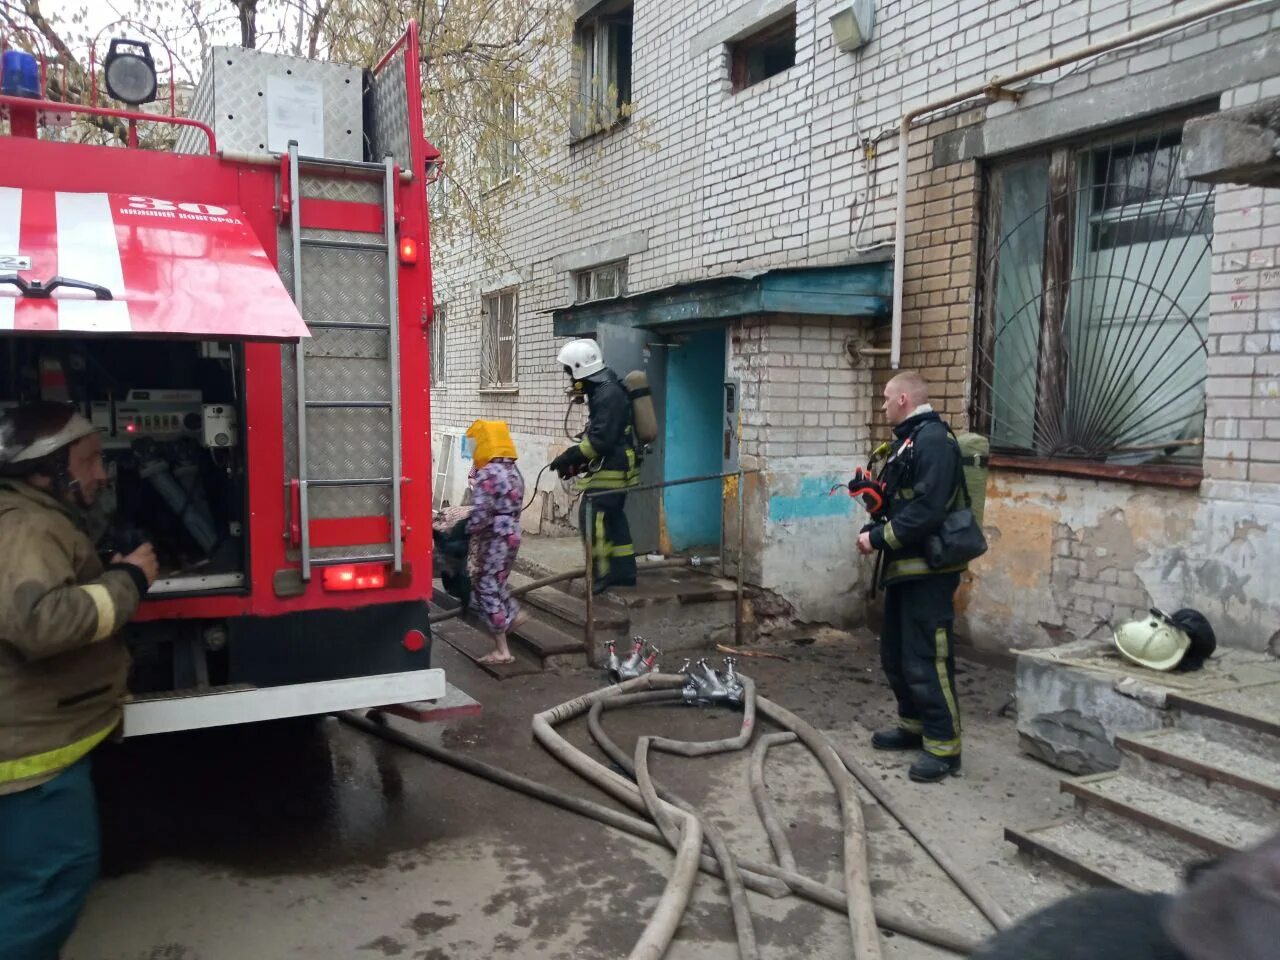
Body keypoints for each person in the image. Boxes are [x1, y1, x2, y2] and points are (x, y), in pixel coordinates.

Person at [0, 401, 157, 960]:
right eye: (89, 461)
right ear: (45, 471)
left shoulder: (28, 517)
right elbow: (41, 622)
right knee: (49, 880)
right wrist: (130, 580)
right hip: (29, 757)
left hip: (25, 745)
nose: (102, 473)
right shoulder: (27, 526)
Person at [856, 371, 967, 783]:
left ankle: (944, 747)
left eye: (886, 398)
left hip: (930, 570)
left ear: (904, 398)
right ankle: (914, 727)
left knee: (927, 657)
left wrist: (878, 538)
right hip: (906, 569)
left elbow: (929, 509)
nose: (882, 405)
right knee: (897, 655)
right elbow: (902, 502)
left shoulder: (935, 441)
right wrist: (874, 500)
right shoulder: (908, 441)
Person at [549, 339, 640, 595]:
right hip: (617, 463)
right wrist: (578, 459)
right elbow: (600, 432)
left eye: (570, 372)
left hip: (615, 466)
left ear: (580, 369)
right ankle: (624, 571)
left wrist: (571, 456)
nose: (570, 380)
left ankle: (601, 573)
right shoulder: (603, 390)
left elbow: (602, 440)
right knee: (613, 516)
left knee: (593, 514)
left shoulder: (607, 393)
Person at [464, 419, 527, 665]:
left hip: (494, 537)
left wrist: (463, 531)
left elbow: (481, 513)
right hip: (512, 532)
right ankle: (512, 613)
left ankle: (502, 649)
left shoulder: (488, 473)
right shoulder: (514, 471)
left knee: (484, 585)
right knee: (497, 580)